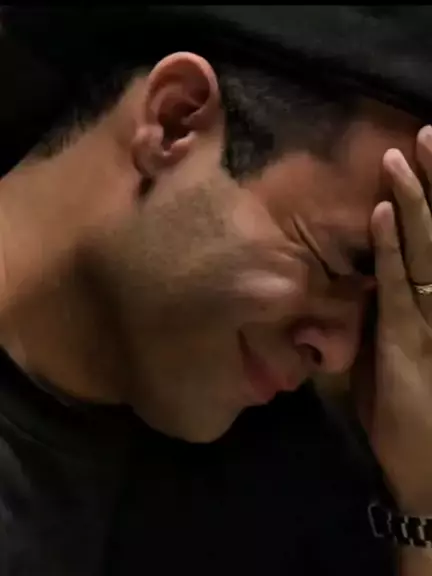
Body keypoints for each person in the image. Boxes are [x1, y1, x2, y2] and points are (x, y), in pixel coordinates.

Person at [0, 5, 431, 574]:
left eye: (386, 304)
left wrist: (420, 500)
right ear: (174, 122)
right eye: (335, 264)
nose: (339, 352)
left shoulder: (284, 492)